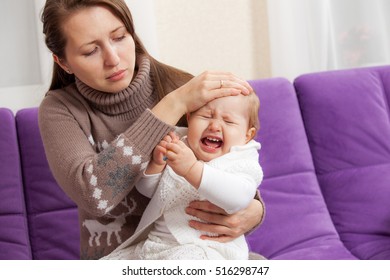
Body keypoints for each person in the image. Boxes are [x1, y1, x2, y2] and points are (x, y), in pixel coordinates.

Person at [39, 0, 265, 260]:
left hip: (198, 250)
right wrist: (171, 106)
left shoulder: (180, 85)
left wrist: (255, 210)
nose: (113, 59)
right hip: (123, 258)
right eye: (91, 51)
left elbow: (235, 164)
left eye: (120, 37)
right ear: (63, 62)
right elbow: (94, 197)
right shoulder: (60, 110)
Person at [103, 92, 263, 260]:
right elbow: (152, 193)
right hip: (156, 244)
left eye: (228, 121)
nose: (214, 126)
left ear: (247, 135)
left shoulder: (242, 160)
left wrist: (192, 169)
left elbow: (239, 198)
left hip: (205, 249)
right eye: (206, 116)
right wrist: (156, 166)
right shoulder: (179, 144)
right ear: (189, 119)